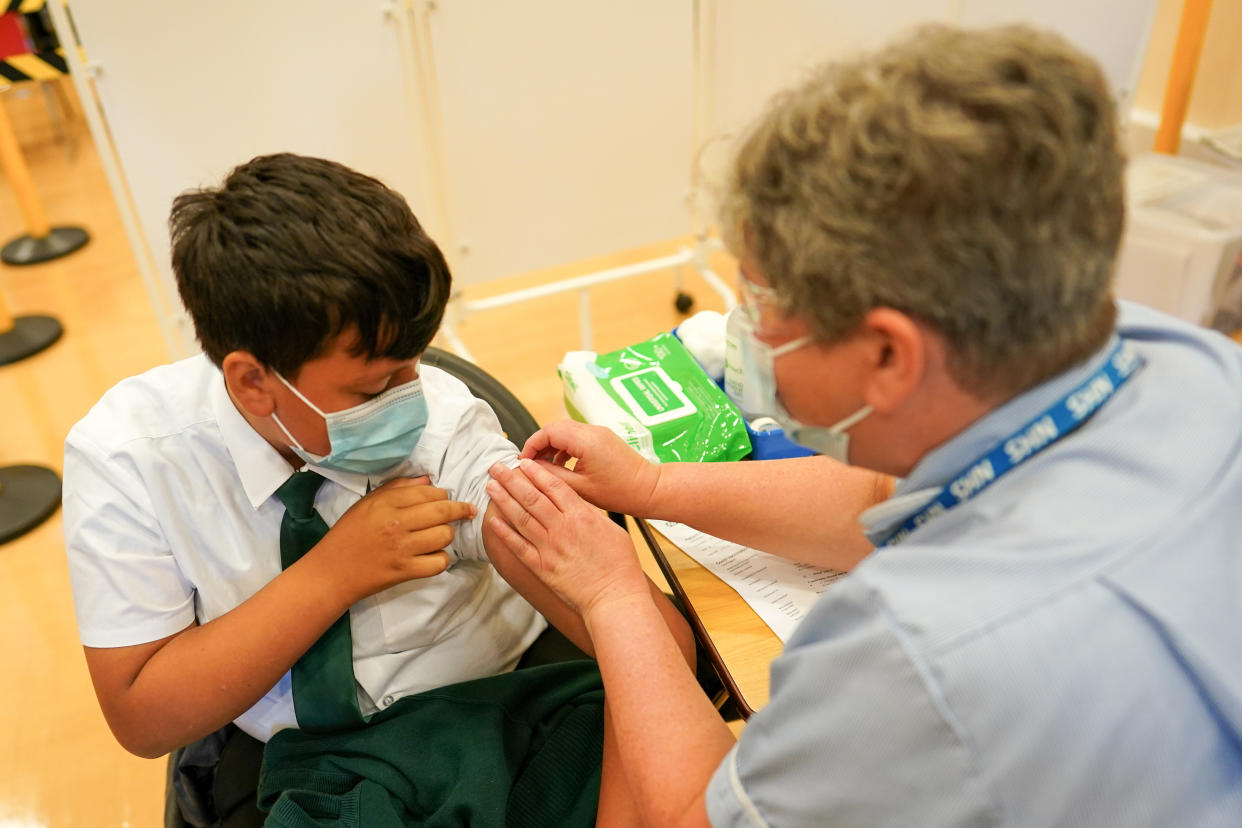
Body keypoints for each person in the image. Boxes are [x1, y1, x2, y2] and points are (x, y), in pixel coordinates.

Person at [485, 23, 1242, 827]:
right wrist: (655, 485)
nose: (746, 330)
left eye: (762, 304)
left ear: (889, 354)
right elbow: (888, 491)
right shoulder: (1181, 361)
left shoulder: (914, 657)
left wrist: (613, 601)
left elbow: (690, 820)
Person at [62, 153, 693, 827]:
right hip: (300, 750)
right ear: (252, 381)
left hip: (501, 696)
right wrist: (332, 575)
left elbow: (647, 644)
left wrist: (577, 551)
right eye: (372, 389)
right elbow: (141, 717)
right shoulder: (127, 462)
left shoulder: (446, 424)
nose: (409, 400)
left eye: (413, 366)